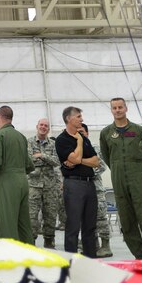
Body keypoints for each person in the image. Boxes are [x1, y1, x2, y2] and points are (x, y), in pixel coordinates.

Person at [99, 97, 142, 259]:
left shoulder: (139, 131)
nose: (117, 110)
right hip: (119, 180)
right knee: (126, 221)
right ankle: (140, 257)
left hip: (138, 178)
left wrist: (138, 170)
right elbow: (106, 156)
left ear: (126, 108)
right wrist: (118, 169)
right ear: (111, 110)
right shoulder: (106, 133)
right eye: (114, 108)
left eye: (120, 107)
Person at [0, 106, 34, 243]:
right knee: (24, 225)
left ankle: (10, 260)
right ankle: (29, 256)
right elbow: (29, 164)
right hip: (22, 181)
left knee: (7, 225)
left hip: (6, 183)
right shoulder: (21, 137)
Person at [55, 106, 99, 258]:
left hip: (89, 184)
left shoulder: (85, 138)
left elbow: (95, 161)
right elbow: (75, 158)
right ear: (69, 118)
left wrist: (78, 159)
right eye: (79, 117)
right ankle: (71, 262)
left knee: (90, 227)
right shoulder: (62, 140)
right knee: (73, 226)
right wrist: (79, 142)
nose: (82, 119)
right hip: (73, 185)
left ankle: (91, 260)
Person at [80, 124, 112, 258]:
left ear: (87, 133)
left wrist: (84, 170)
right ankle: (93, 245)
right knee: (85, 218)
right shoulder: (74, 150)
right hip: (80, 189)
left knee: (100, 217)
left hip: (95, 188)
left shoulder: (95, 148)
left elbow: (102, 166)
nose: (79, 134)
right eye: (77, 132)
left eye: (82, 131)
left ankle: (105, 246)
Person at [27, 118, 59, 248]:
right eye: (41, 125)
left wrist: (41, 155)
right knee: (32, 215)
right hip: (33, 185)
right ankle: (31, 242)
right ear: (37, 126)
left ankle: (49, 241)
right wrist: (46, 159)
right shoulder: (28, 142)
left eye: (46, 126)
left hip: (50, 185)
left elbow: (57, 161)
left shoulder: (53, 144)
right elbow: (28, 161)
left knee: (50, 214)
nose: (43, 127)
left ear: (48, 129)